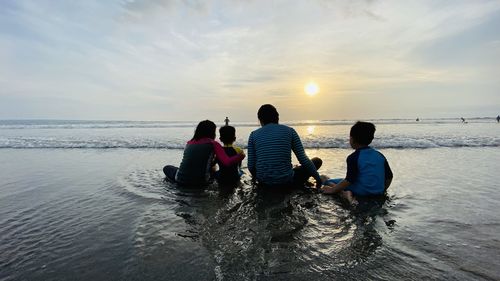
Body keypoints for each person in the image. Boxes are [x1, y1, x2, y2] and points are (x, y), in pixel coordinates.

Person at [247, 104, 322, 189]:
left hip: (264, 182)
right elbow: (303, 159)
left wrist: (257, 178)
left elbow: (251, 165)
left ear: (260, 120)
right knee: (317, 161)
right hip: (286, 182)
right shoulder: (290, 131)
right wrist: (318, 179)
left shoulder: (253, 135)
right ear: (277, 117)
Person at [322, 121, 393, 205]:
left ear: (352, 139)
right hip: (378, 192)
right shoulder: (380, 155)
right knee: (344, 181)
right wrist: (382, 189)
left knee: (326, 180)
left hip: (361, 192)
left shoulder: (354, 157)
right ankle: (344, 191)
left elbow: (349, 180)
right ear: (371, 139)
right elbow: (389, 176)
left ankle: (345, 194)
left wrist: (332, 190)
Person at [163, 120, 245, 187]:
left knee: (167, 167)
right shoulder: (213, 144)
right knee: (211, 169)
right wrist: (241, 156)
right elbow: (227, 162)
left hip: (181, 180)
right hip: (201, 182)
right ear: (212, 132)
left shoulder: (189, 143)